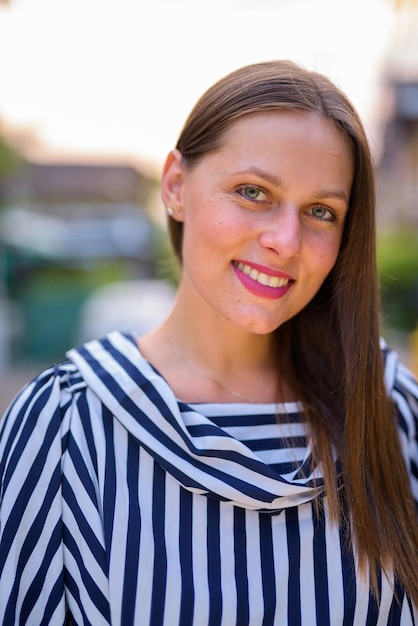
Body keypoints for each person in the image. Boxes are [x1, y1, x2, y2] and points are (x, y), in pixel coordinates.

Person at [0, 60, 417, 626]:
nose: (285, 241)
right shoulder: (65, 425)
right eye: (253, 192)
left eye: (321, 211)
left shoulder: (392, 408)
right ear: (175, 186)